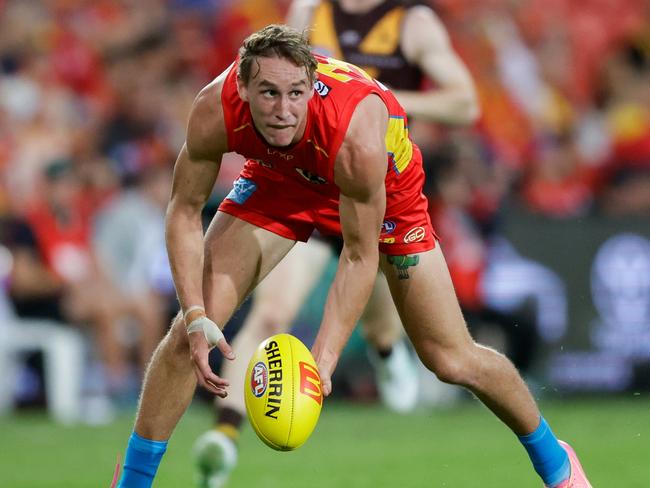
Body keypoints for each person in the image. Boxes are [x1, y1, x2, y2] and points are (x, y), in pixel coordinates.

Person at [115, 24, 592, 488]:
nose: (283, 110)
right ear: (241, 85)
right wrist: (197, 314)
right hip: (278, 180)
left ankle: (557, 464)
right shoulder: (213, 108)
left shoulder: (357, 134)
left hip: (386, 189)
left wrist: (323, 359)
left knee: (450, 358)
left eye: (296, 93)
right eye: (268, 94)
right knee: (186, 335)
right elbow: (183, 211)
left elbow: (360, 256)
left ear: (312, 85)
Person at [195, 1, 480, 484]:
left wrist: (383, 99)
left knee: (378, 322)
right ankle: (226, 434)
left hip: (373, 190)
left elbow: (466, 103)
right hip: (309, 182)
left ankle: (387, 352)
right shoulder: (310, 9)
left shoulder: (411, 22)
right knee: (270, 313)